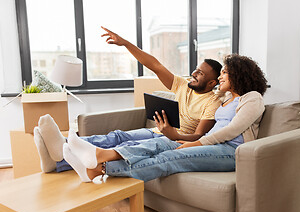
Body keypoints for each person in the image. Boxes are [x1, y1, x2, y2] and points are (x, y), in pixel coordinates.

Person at [47, 54, 268, 183]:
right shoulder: (226, 97)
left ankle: (99, 168)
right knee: (159, 142)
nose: (221, 77)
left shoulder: (252, 98)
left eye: (225, 73)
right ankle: (99, 158)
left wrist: (194, 142)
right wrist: (183, 138)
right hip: (212, 144)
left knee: (170, 158)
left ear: (239, 74)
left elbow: (230, 131)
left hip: (231, 152)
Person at [33, 26, 222, 173]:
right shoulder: (183, 85)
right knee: (116, 136)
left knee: (125, 146)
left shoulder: (212, 102)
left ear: (212, 82)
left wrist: (174, 134)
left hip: (175, 140)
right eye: (196, 69)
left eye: (201, 73)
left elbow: (199, 136)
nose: (194, 73)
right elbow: (155, 65)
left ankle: (60, 156)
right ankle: (62, 148)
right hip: (158, 132)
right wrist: (125, 43)